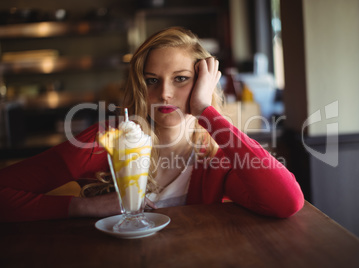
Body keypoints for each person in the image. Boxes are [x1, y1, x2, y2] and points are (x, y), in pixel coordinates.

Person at [0, 27, 304, 222]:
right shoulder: (106, 141)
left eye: (181, 79)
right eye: (152, 81)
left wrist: (205, 111)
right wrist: (85, 207)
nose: (165, 94)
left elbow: (286, 202)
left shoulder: (216, 159)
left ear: (202, 82)